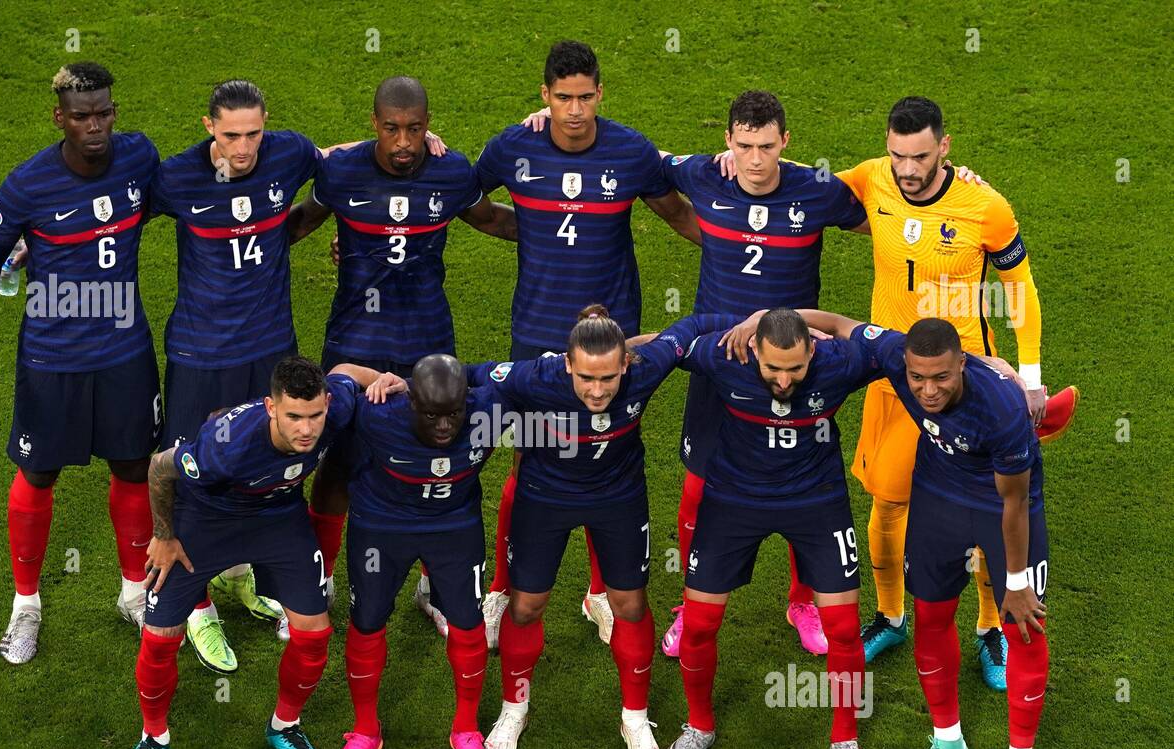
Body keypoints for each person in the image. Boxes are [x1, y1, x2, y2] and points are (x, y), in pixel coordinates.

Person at [834, 97, 1076, 686]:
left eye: (919, 156)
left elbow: (1019, 291)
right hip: (893, 378)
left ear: (945, 147)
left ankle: (990, 629)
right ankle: (890, 617)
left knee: (988, 512)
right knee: (887, 504)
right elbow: (797, 197)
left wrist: (1033, 379)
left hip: (965, 383)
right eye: (897, 156)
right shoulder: (871, 180)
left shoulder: (985, 206)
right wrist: (733, 162)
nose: (907, 170)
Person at [777, 310, 1052, 749]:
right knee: (930, 617)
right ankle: (948, 744)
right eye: (918, 377)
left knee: (1026, 629)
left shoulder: (1002, 406)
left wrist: (1014, 584)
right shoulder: (897, 356)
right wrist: (767, 319)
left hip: (1004, 507)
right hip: (939, 498)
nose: (927, 390)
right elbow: (838, 323)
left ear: (962, 365)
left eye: (942, 377)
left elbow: (1013, 501)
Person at [476, 40, 701, 647]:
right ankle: (500, 590)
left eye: (585, 96)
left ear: (600, 93)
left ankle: (601, 594)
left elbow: (678, 212)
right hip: (538, 333)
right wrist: (515, 227)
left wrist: (733, 249)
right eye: (563, 98)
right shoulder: (514, 146)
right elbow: (464, 193)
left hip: (615, 334)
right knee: (527, 458)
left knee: (610, 455)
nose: (574, 109)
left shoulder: (630, 151)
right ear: (545, 97)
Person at [286, 75, 516, 637]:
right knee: (337, 464)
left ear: (428, 125)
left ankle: (435, 588)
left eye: (415, 129)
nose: (404, 142)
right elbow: (294, 225)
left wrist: (575, 227)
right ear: (374, 125)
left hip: (429, 342)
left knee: (440, 454)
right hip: (354, 338)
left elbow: (491, 219)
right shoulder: (339, 172)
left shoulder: (451, 171)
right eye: (392, 129)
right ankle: (318, 581)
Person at [466, 307, 731, 749]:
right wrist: (398, 384)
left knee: (630, 604)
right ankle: (515, 709)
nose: (596, 390)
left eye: (608, 378)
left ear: (626, 363)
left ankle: (635, 716)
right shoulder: (533, 376)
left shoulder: (647, 367)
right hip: (545, 499)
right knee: (526, 606)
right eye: (586, 377)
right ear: (566, 363)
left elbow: (689, 328)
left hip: (618, 499)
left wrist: (759, 321)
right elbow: (464, 376)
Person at [651, 90, 869, 657]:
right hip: (719, 362)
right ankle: (689, 602)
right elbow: (636, 159)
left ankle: (804, 601)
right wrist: (546, 123)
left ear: (785, 143)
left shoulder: (817, 190)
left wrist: (951, 179)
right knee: (698, 484)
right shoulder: (702, 176)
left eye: (766, 147)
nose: (754, 159)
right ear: (727, 141)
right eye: (744, 146)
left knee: (809, 487)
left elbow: (891, 213)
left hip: (796, 366)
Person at [0, 62, 161, 664]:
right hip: (52, 358)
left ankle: (132, 593)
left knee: (131, 467)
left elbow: (175, 192)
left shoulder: (139, 157)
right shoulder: (25, 187)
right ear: (59, 119)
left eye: (103, 113)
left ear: (114, 114)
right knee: (39, 473)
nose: (94, 125)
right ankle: (26, 605)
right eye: (81, 116)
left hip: (125, 351)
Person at [121, 356, 398, 749]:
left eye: (314, 416)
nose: (306, 429)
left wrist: (384, 379)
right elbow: (159, 467)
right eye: (293, 417)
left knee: (313, 634)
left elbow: (347, 371)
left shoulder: (336, 405)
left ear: (327, 403)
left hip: (278, 519)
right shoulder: (225, 446)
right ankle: (153, 738)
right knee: (159, 638)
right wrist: (165, 535)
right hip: (207, 522)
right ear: (271, 408)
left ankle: (284, 725)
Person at [655, 309, 883, 749]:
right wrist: (593, 350)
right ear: (753, 349)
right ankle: (698, 727)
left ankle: (845, 740)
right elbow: (662, 343)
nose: (784, 380)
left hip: (817, 501)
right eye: (773, 368)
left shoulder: (841, 361)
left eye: (796, 369)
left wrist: (998, 369)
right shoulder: (724, 356)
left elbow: (919, 354)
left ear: (813, 351)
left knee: (844, 628)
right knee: (699, 625)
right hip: (734, 501)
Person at [150, 79, 323, 672]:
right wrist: (29, 241)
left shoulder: (289, 152)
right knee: (194, 470)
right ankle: (196, 606)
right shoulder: (176, 177)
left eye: (253, 134)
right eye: (230, 136)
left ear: (266, 125)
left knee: (274, 463)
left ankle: (254, 577)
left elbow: (343, 164)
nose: (243, 148)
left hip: (271, 349)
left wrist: (421, 139)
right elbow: (114, 210)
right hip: (201, 353)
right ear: (209, 128)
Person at [321, 355, 499, 749]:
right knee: (365, 623)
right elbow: (339, 374)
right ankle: (365, 731)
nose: (444, 426)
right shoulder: (375, 412)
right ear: (410, 402)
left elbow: (547, 373)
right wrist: (383, 378)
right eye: (431, 414)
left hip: (454, 526)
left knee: (469, 623)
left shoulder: (493, 409)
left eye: (453, 414)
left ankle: (466, 730)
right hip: (382, 526)